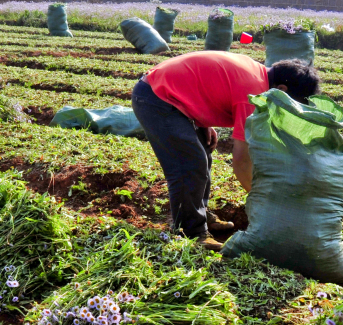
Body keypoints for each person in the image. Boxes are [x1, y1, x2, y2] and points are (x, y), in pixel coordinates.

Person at [131, 52, 321, 251]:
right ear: (281, 89)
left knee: (201, 154)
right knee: (190, 164)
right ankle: (191, 232)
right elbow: (241, 161)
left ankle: (199, 214)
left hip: (168, 93)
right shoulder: (253, 94)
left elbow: (207, 84)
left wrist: (202, 120)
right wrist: (265, 202)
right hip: (156, 98)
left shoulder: (259, 74)